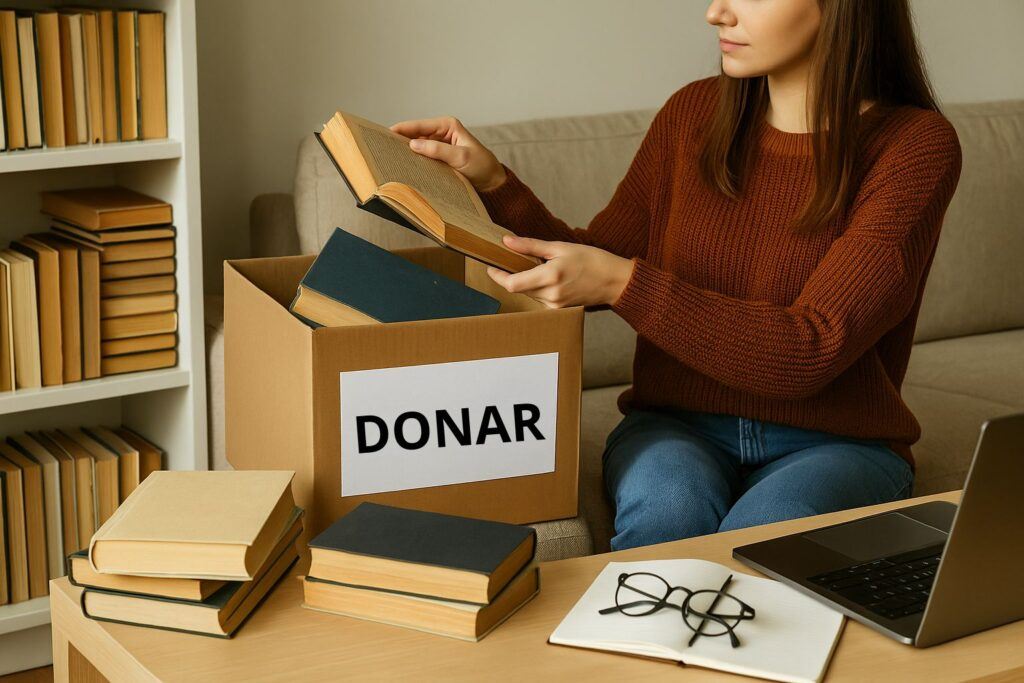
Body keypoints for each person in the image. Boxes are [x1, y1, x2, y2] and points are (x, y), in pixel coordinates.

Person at [390, 0, 963, 551]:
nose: (716, 12)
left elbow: (811, 347)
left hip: (838, 442)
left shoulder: (915, 148)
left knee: (764, 537)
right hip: (677, 426)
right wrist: (493, 183)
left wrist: (621, 282)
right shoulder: (692, 114)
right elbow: (597, 257)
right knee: (667, 514)